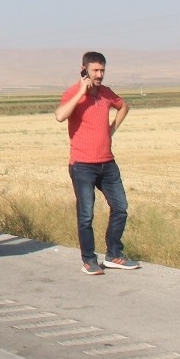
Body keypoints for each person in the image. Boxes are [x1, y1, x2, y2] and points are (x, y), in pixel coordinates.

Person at [55, 52, 140, 275]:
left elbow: (124, 106)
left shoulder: (106, 93)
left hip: (107, 164)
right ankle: (89, 260)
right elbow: (60, 116)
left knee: (120, 208)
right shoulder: (73, 93)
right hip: (82, 165)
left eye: (102, 70)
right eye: (95, 70)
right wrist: (80, 93)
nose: (99, 75)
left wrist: (112, 129)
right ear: (84, 70)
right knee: (86, 216)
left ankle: (114, 254)